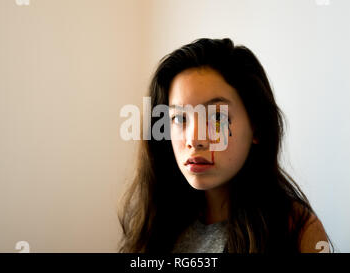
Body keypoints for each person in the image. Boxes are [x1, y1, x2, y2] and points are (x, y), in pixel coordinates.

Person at [118, 38, 333, 253]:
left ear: (256, 128)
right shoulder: (155, 224)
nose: (194, 140)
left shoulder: (296, 231)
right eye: (179, 118)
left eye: (216, 117)